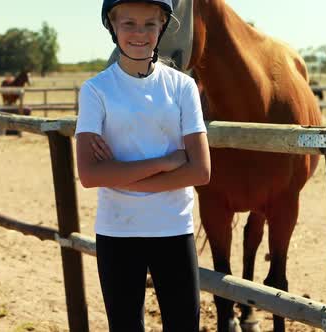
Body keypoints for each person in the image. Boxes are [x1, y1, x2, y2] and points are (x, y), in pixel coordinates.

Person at [74, 0, 211, 330]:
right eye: (129, 24)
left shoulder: (182, 87)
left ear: (163, 26)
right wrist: (165, 162)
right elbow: (90, 174)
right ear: (112, 25)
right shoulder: (95, 91)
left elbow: (200, 171)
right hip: (118, 229)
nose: (139, 33)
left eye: (150, 24)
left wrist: (120, 176)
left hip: (173, 228)